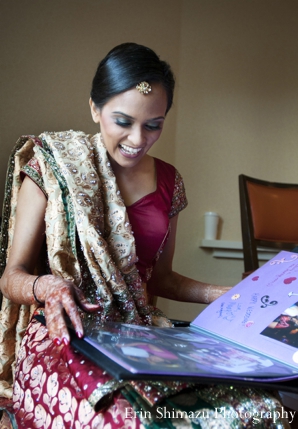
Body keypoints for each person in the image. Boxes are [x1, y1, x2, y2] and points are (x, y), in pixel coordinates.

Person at [0, 43, 290, 428]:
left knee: (259, 407)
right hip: (66, 334)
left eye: (153, 125)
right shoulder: (53, 166)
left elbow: (162, 278)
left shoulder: (170, 181)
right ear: (94, 109)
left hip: (139, 332)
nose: (138, 138)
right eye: (123, 121)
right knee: (127, 419)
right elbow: (11, 276)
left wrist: (232, 296)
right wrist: (50, 288)